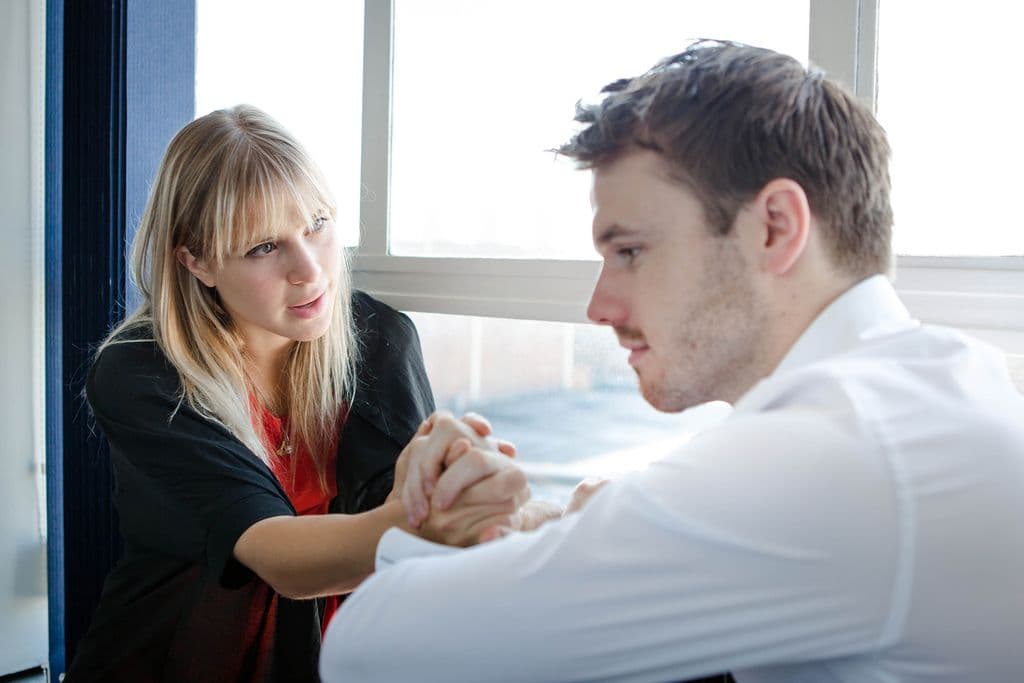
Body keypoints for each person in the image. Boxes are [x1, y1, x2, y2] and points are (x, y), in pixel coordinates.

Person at [320, 40, 1024, 682]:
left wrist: (424, 526)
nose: (599, 306)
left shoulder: (840, 450)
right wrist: (563, 533)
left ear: (775, 227)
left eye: (630, 251)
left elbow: (368, 647)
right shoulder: (946, 384)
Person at [65, 105, 528, 682]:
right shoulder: (142, 374)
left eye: (317, 224)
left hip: (342, 659)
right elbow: (277, 555)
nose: (310, 270)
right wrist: (432, 521)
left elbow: (404, 513)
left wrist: (458, 476)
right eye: (264, 247)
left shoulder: (380, 338)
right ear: (196, 261)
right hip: (172, 659)